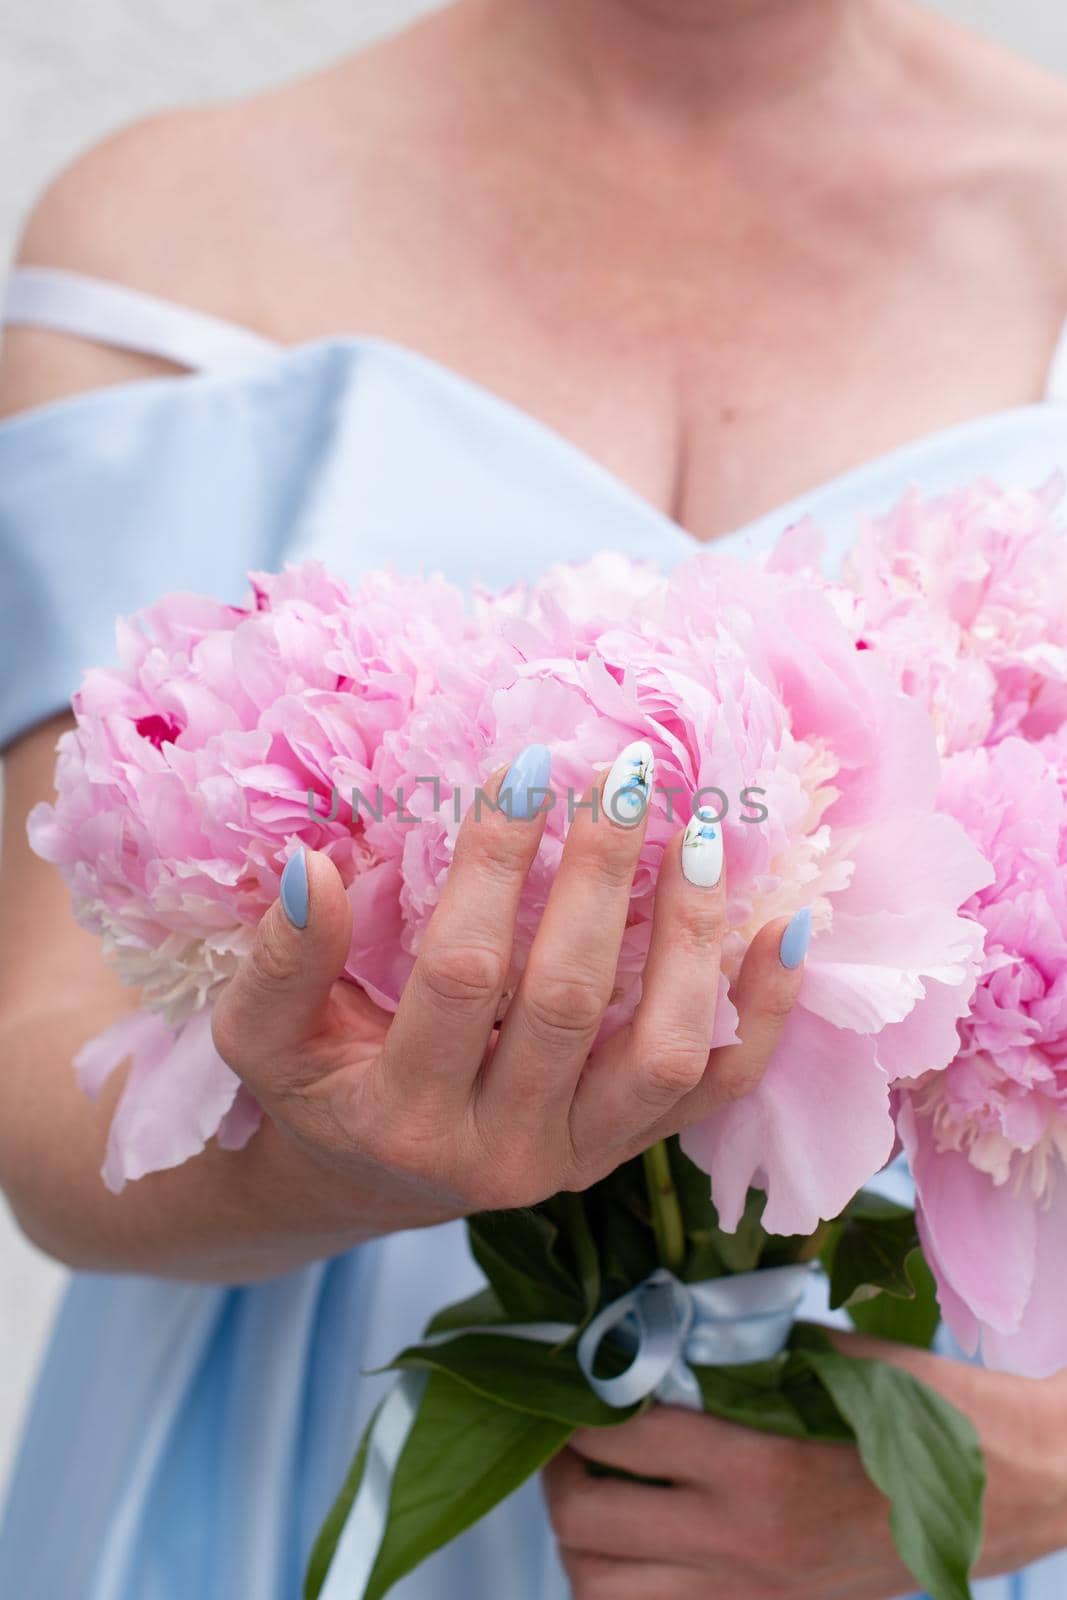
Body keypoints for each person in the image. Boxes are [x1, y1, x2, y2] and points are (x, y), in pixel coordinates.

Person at [1, 0, 1066, 1595]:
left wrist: (1027, 1470)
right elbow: (44, 1070)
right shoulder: (169, 233)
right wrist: (344, 1159)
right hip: (300, 1471)